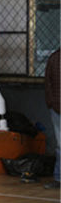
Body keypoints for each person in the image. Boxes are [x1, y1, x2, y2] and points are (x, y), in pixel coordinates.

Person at [44, 48, 60, 189]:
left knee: (60, 145)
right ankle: (59, 177)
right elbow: (48, 83)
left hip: (56, 107)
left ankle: (59, 178)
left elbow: (47, 83)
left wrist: (51, 103)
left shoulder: (54, 57)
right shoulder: (54, 58)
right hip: (57, 107)